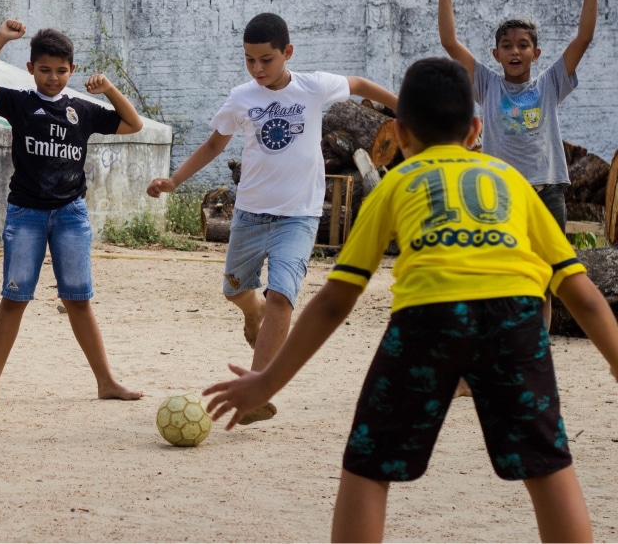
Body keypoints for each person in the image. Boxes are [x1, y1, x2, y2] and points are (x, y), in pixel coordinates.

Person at [204, 57, 618, 543]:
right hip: (515, 322)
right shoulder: (512, 184)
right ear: (476, 130)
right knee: (548, 467)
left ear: (399, 134)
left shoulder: (396, 184)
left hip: (429, 321)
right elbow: (582, 293)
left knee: (369, 467)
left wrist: (267, 381)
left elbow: (335, 301)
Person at [146, 12, 397, 424]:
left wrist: (409, 110)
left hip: (298, 216)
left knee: (282, 296)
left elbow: (362, 85)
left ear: (288, 53)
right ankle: (251, 311)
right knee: (235, 291)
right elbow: (213, 144)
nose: (258, 69)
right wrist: (173, 180)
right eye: (249, 60)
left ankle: (257, 389)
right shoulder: (242, 97)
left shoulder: (313, 87)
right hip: (249, 214)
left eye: (266, 59)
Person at [0, 19, 144, 403]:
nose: (53, 78)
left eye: (61, 71)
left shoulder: (83, 109)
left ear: (72, 70)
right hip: (25, 215)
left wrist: (108, 88)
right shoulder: (20, 103)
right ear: (31, 69)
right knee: (14, 298)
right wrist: (0, 38)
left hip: (71, 216)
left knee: (78, 299)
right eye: (45, 70)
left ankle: (106, 382)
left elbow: (133, 123)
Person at [437, 0, 600, 329]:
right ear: (496, 55)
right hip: (501, 194)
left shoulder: (549, 83)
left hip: (546, 193)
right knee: (499, 275)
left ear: (535, 54)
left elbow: (584, 38)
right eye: (507, 46)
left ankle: (534, 352)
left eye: (523, 45)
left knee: (545, 279)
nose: (515, 52)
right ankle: (494, 346)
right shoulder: (488, 85)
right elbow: (450, 42)